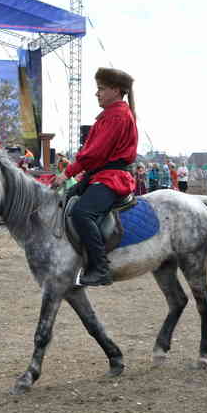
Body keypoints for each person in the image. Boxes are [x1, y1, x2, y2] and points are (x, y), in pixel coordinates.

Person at [51, 67, 138, 287]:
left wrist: (66, 173)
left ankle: (100, 269)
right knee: (70, 197)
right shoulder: (110, 114)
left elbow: (96, 154)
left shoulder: (117, 115)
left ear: (116, 91)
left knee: (82, 213)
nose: (96, 93)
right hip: (100, 174)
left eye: (101, 89)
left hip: (113, 177)